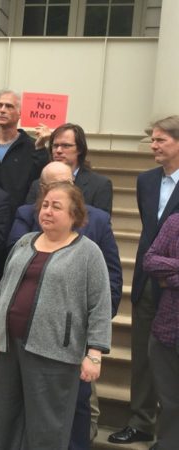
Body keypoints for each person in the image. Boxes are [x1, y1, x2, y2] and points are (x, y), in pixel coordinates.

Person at [0, 181, 111, 449]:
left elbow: (100, 304)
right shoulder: (24, 242)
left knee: (47, 426)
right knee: (3, 417)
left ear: (74, 215)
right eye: (44, 205)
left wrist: (94, 353)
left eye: (56, 207)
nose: (47, 211)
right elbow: (3, 287)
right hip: (10, 347)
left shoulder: (88, 252)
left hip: (55, 351)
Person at [9, 161, 122, 449]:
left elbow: (107, 283)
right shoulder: (27, 228)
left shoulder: (96, 222)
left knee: (74, 408)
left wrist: (92, 341)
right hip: (25, 337)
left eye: (66, 183)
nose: (50, 207)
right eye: (48, 190)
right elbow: (9, 279)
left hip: (71, 338)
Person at [108, 115, 179, 446]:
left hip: (176, 286)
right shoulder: (145, 181)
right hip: (147, 279)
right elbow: (151, 234)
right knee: (142, 355)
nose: (153, 145)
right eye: (153, 139)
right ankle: (141, 421)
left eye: (161, 139)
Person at [143, 212, 179, 450]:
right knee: (170, 403)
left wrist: (170, 279)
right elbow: (150, 260)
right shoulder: (175, 221)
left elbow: (161, 269)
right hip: (167, 329)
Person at [0, 89, 50, 212]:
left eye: (9, 106)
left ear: (20, 113)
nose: (2, 110)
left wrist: (40, 148)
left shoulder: (31, 146)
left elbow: (40, 180)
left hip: (16, 215)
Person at [25, 123, 113, 214]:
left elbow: (101, 224)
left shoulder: (100, 185)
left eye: (66, 146)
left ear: (80, 149)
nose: (58, 151)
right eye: (55, 146)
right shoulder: (38, 185)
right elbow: (28, 217)